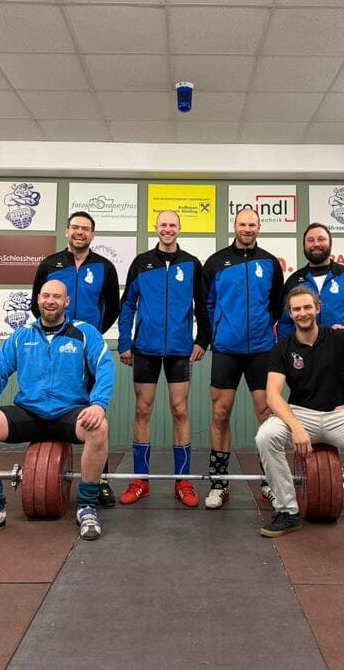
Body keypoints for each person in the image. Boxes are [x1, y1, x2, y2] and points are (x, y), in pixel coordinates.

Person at [0, 280, 115, 542]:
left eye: (57, 297)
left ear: (66, 302)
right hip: (29, 413)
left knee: (99, 428)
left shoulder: (84, 333)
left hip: (68, 413)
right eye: (46, 296)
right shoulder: (21, 336)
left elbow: (105, 367)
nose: (50, 301)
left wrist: (98, 404)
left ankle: (87, 506)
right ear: (38, 300)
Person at [255, 286, 344, 551]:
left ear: (317, 308)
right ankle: (287, 511)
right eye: (296, 309)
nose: (302, 313)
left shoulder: (340, 338)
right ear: (290, 313)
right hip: (301, 414)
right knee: (266, 436)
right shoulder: (282, 348)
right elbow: (273, 396)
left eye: (307, 307)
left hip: (338, 415)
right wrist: (296, 428)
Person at [117, 210, 210, 507]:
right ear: (155, 228)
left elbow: (203, 306)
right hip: (145, 348)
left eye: (172, 225)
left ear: (179, 229)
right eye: (163, 224)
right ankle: (140, 481)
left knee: (180, 410)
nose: (167, 229)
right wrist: (124, 342)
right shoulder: (141, 263)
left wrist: (202, 340)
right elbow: (128, 305)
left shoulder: (192, 263)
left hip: (180, 350)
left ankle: (183, 481)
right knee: (142, 410)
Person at [277, 222, 344, 495]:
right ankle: (315, 490)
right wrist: (292, 351)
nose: (316, 244)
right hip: (303, 368)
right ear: (304, 245)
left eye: (320, 239)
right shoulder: (294, 281)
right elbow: (284, 323)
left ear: (329, 243)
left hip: (341, 367)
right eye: (310, 240)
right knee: (303, 425)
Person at [31, 210, 119, 506]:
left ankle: (100, 482)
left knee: (96, 414)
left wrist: (90, 336)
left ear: (92, 235)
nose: (80, 232)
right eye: (75, 227)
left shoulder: (105, 266)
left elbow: (113, 307)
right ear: (67, 231)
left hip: (88, 350)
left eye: (86, 228)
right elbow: (37, 302)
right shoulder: (49, 264)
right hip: (55, 349)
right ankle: (44, 474)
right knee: (48, 403)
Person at [201, 209, 284, 509]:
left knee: (266, 415)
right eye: (242, 224)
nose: (247, 228)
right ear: (234, 226)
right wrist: (219, 333)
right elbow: (207, 305)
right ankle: (218, 484)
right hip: (226, 349)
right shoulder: (216, 262)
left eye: (252, 224)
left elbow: (277, 305)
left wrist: (263, 328)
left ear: (258, 227)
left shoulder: (270, 263)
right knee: (220, 415)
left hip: (262, 349)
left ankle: (269, 482)